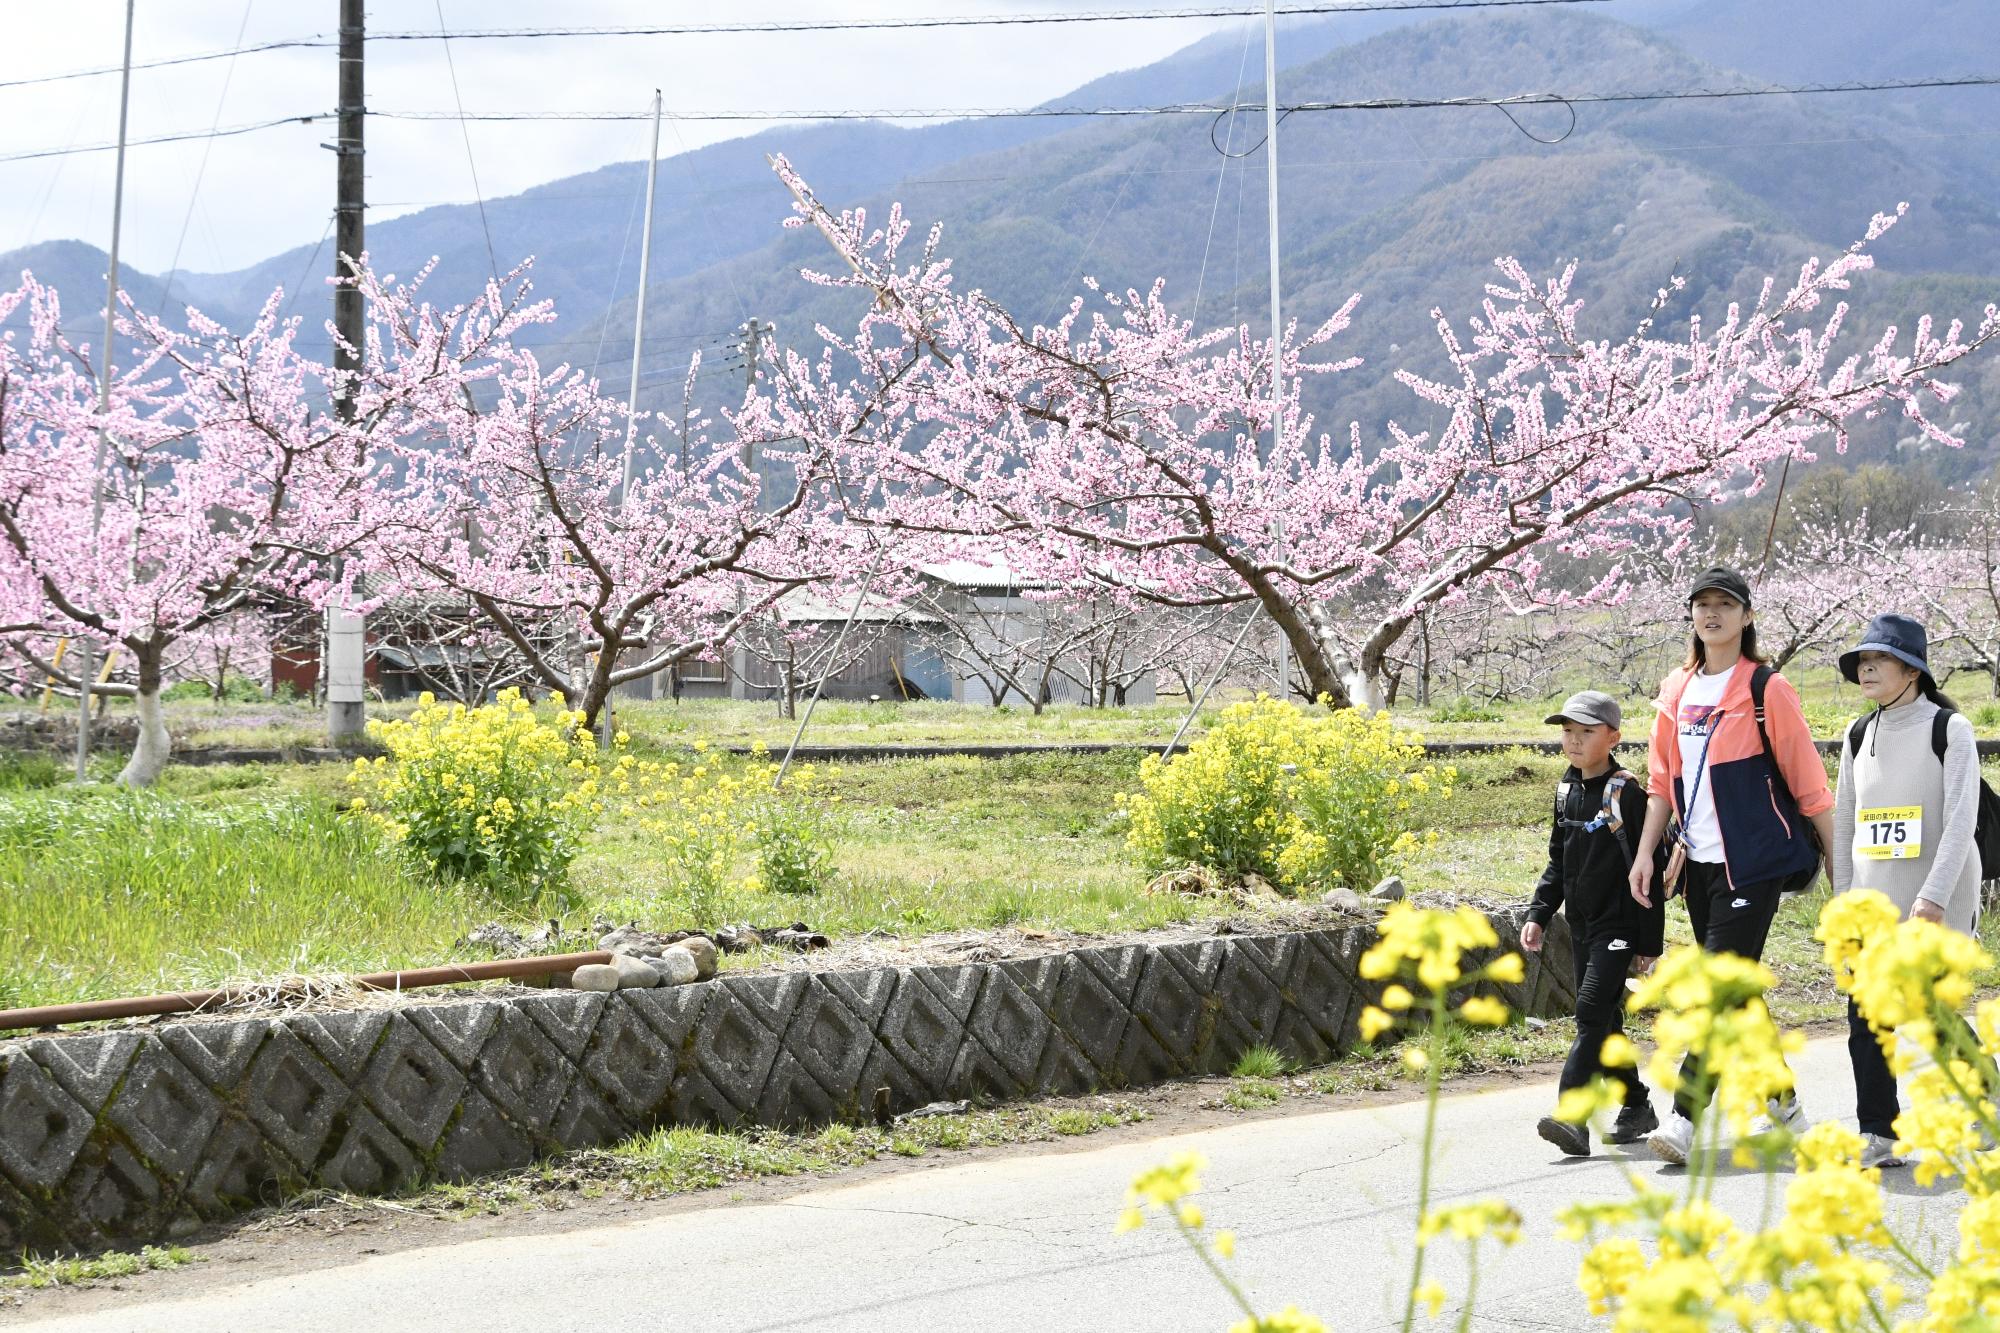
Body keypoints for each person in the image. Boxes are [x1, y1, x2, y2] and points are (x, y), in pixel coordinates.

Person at [1628, 566, 1836, 1165]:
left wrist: (1840, 874)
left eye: (1726, 604)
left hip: (1755, 863)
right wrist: (1646, 852)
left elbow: (1811, 787)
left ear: (1746, 617)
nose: (1712, 614)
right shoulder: (1677, 690)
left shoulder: (1766, 689)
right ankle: (1784, 1101)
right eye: (1702, 604)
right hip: (1698, 866)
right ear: (1691, 616)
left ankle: (1685, 1118)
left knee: (1718, 988)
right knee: (1738, 992)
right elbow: (1662, 781)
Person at [1832, 613, 1985, 1169]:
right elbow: (1846, 822)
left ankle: (1986, 1094)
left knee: (1927, 1010)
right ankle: (1879, 1132)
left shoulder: (1950, 728)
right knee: (1866, 1014)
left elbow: (1961, 819)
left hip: (1936, 894)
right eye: (1862, 661)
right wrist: (1844, 905)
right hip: (1873, 897)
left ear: (1913, 671)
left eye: (1881, 660)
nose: (1867, 668)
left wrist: (1934, 896)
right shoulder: (1857, 733)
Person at [1523, 690, 1664, 1156]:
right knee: (1605, 1022)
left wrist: (1650, 943)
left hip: (1619, 927)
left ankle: (1573, 1118)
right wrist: (1539, 914)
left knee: (1588, 1015)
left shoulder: (1626, 792)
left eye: (1586, 732)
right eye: (1567, 732)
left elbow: (1651, 871)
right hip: (1580, 925)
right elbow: (1558, 863)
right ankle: (1637, 1104)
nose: (1574, 741)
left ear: (1613, 737)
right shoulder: (1566, 791)